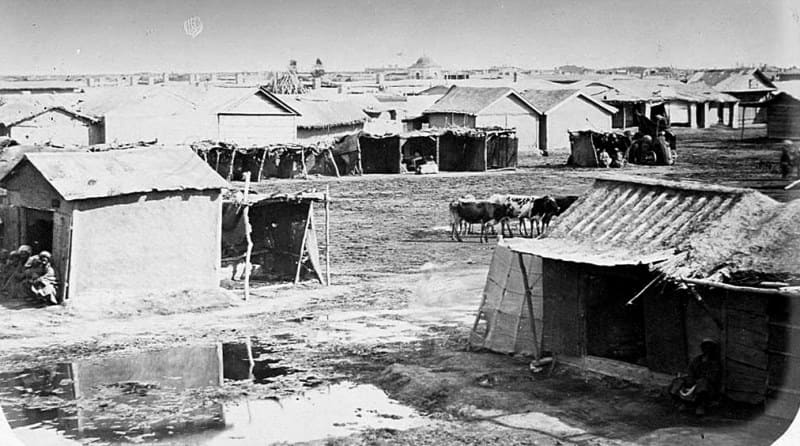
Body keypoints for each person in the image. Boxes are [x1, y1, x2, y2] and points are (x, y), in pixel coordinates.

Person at [669, 338, 722, 416]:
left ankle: (700, 406)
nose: (707, 350)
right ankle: (682, 402)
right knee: (679, 381)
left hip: (708, 387)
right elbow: (690, 371)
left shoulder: (715, 363)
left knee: (703, 384)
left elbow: (713, 378)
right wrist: (690, 379)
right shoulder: (697, 360)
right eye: (705, 347)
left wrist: (699, 380)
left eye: (709, 348)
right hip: (695, 381)